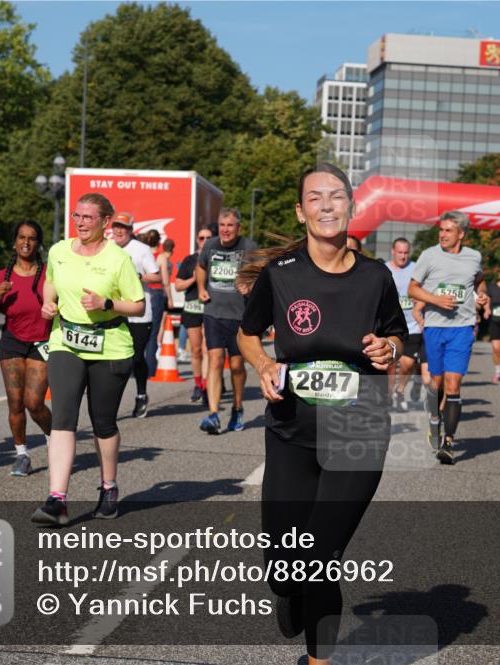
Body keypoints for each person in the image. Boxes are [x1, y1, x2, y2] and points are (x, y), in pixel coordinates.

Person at [238, 162, 406, 665]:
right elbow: (247, 333)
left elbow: (399, 336)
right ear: (301, 211)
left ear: (352, 208)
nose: (327, 205)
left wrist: (390, 351)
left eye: (336, 196)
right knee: (283, 566)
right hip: (292, 433)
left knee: (318, 560)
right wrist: (265, 363)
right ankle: (290, 594)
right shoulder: (280, 276)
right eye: (315, 197)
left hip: (359, 429)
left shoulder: (376, 278)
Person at [31, 193, 144, 526]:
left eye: (88, 218)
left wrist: (107, 303)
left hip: (110, 344)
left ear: (105, 222)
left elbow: (138, 305)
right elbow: (50, 282)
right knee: (63, 416)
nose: (80, 223)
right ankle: (57, 500)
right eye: (76, 216)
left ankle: (108, 487)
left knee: (102, 422)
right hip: (65, 339)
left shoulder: (117, 259)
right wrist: (47, 304)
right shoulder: (59, 251)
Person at [408, 210, 489, 465]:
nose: (442, 235)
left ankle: (448, 442)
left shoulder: (473, 257)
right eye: (441, 230)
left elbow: (479, 281)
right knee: (436, 383)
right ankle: (434, 420)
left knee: (453, 386)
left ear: (461, 234)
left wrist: (482, 296)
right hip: (434, 327)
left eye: (448, 231)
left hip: (462, 328)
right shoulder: (429, 255)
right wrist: (435, 300)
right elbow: (413, 288)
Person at [0, 221, 52, 476]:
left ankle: (53, 438)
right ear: (14, 242)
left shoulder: (48, 274)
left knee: (34, 403)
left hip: (42, 343)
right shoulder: (3, 276)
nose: (26, 242)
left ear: (38, 243)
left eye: (32, 238)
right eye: (21, 237)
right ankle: (22, 455)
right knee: (15, 404)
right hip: (12, 342)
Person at [195, 208, 258, 434]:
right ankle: (213, 414)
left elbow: (261, 276)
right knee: (214, 360)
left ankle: (237, 407)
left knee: (236, 365)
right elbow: (201, 267)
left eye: (230, 225)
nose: (226, 230)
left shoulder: (249, 248)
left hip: (239, 316)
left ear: (238, 227)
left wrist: (249, 286)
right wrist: (201, 288)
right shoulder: (210, 245)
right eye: (222, 225)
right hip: (213, 312)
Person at [111, 213, 161, 418]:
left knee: (135, 357)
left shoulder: (141, 249)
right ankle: (111, 399)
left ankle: (141, 394)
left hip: (140, 312)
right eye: (116, 227)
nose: (119, 231)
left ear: (131, 230)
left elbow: (156, 276)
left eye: (123, 227)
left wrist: (138, 276)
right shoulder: (107, 248)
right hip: (114, 310)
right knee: (115, 358)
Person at [174, 227, 213, 403]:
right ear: (197, 240)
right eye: (201, 238)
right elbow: (178, 286)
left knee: (208, 350)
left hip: (211, 308)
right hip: (192, 309)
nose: (204, 241)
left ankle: (206, 386)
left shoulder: (217, 259)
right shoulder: (189, 260)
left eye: (208, 238)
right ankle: (198, 385)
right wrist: (194, 278)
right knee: (196, 350)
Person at [385, 237, 422, 411]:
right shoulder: (383, 269)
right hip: (390, 326)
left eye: (406, 253)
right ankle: (389, 395)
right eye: (400, 252)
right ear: (393, 251)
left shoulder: (416, 269)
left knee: (407, 363)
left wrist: (420, 301)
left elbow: (425, 291)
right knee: (391, 365)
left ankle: (400, 390)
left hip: (413, 324)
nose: (403, 256)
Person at [142, 228, 171, 377]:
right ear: (159, 241)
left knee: (139, 331)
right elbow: (165, 280)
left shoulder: (143, 255)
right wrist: (170, 299)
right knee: (153, 333)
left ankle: (137, 367)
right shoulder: (160, 257)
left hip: (142, 293)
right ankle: (150, 368)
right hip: (157, 294)